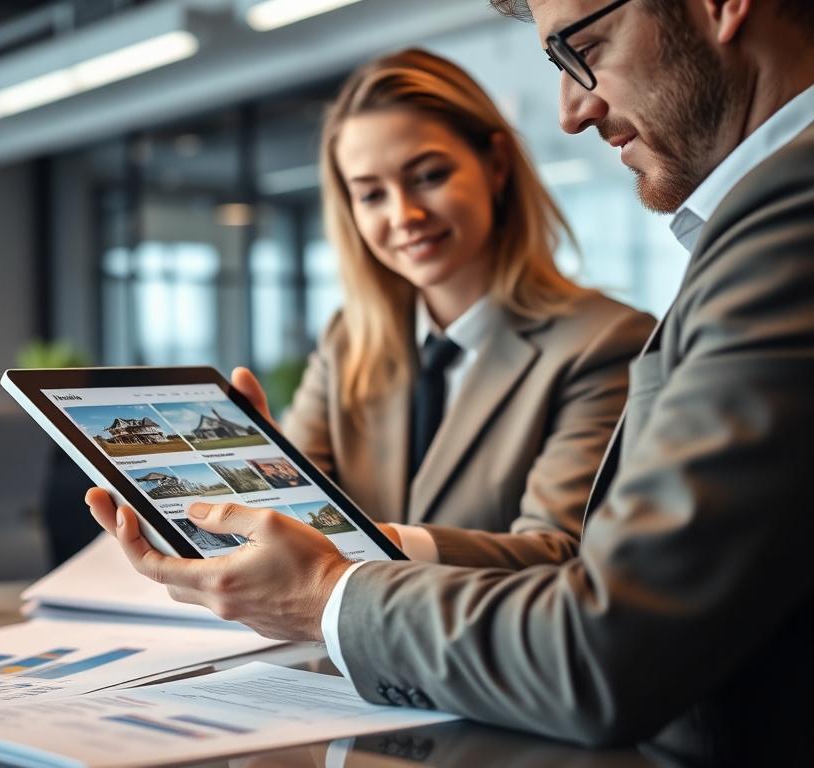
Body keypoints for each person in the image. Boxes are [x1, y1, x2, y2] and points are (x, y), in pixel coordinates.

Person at [87, 0, 814, 763]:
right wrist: (247, 493)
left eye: (585, 45)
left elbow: (588, 595)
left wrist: (333, 577)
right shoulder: (351, 342)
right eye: (369, 192)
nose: (572, 109)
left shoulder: (734, 251)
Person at [239, 49, 652, 551]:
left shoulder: (606, 343)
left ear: (496, 165)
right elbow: (291, 521)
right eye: (371, 195)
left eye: (429, 176)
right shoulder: (347, 340)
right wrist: (263, 475)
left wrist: (370, 543)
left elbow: (557, 552)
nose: (403, 214)